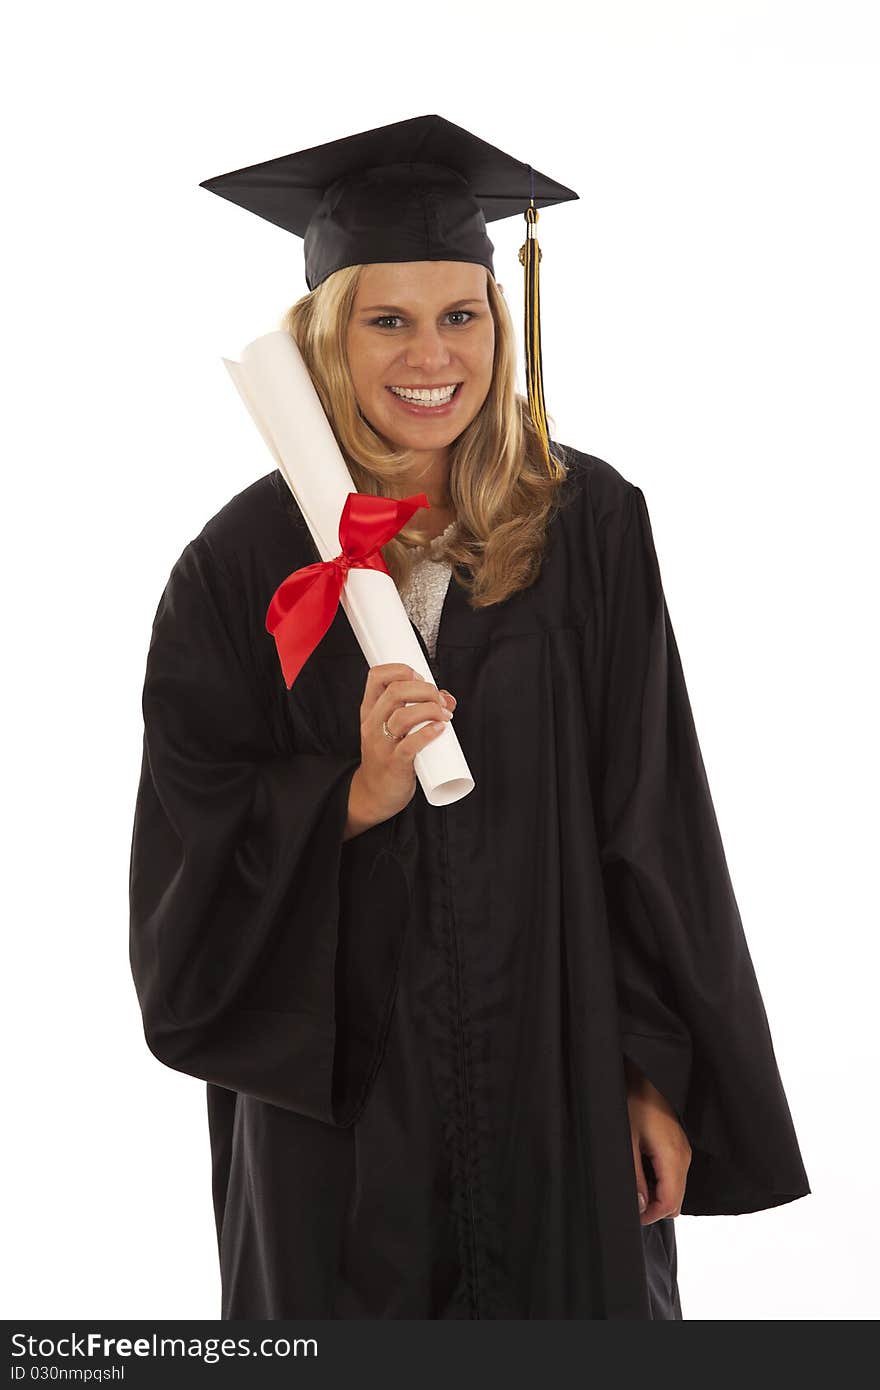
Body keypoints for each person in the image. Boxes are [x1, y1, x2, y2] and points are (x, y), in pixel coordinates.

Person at [128, 115, 810, 1320]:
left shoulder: (586, 520)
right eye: (387, 319)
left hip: (553, 1068)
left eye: (462, 314)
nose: (430, 353)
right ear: (327, 335)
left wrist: (650, 1073)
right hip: (340, 1106)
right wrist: (353, 797)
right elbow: (187, 843)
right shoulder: (241, 563)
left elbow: (646, 813)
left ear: (503, 319)